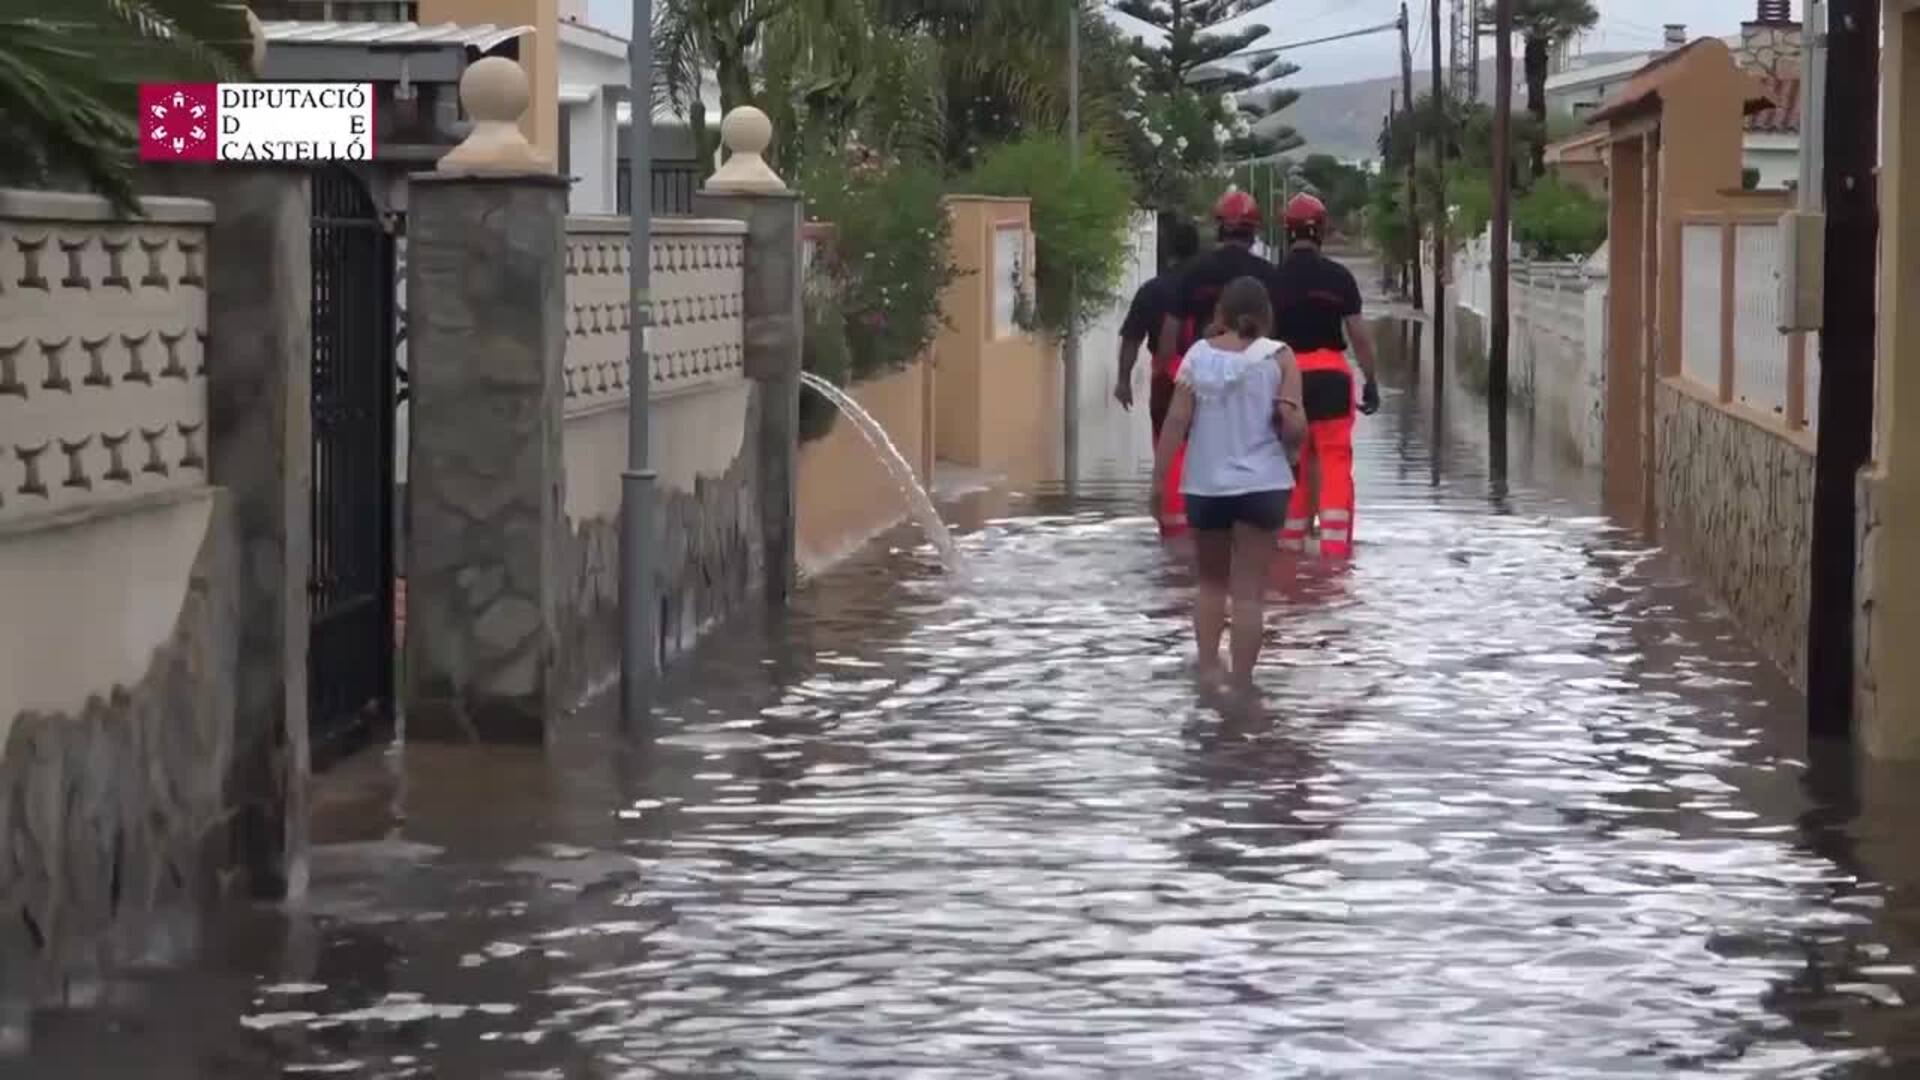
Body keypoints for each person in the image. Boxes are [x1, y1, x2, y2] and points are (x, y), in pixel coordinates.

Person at [1153, 276, 1308, 688]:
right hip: (1264, 487)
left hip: (1206, 488)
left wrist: (1158, 481)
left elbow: (1175, 422)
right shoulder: (1280, 357)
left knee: (1210, 584)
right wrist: (1288, 425)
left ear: (1220, 314)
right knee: (1248, 593)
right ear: (1265, 315)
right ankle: (1242, 685)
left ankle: (1207, 673)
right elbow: (1297, 429)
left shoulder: (1196, 357)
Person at [1152, 190, 1279, 536]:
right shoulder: (1268, 275)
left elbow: (1171, 330)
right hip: (1258, 385)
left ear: (1219, 228)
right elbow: (1280, 337)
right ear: (1253, 232)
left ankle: (1185, 530)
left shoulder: (1193, 272)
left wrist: (1166, 376)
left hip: (1203, 382)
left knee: (1194, 454)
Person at [1268, 192, 1380, 559]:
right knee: (1333, 461)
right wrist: (1372, 381)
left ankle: (1289, 549)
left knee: (1291, 460)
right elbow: (1360, 337)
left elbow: (1261, 339)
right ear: (1323, 232)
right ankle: (1334, 549)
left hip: (1286, 379)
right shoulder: (1339, 278)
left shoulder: (1273, 279)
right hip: (1332, 377)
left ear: (1287, 232)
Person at [1113, 219, 1201, 440]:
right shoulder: (1209, 285)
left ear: (1169, 251)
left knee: (1166, 445)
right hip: (1210, 379)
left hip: (1166, 377)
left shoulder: (1152, 290)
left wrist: (1123, 381)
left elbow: (1131, 338)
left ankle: (1169, 474)